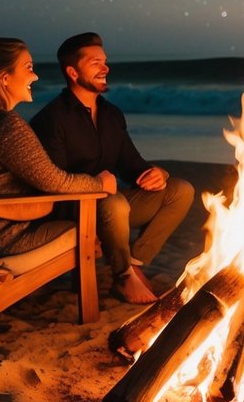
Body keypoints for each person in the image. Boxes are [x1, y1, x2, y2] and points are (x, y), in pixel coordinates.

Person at [30, 32, 194, 304]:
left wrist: (158, 174)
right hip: (70, 209)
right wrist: (97, 186)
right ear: (72, 72)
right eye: (95, 63)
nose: (105, 68)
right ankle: (123, 276)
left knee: (180, 190)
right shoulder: (51, 119)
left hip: (111, 206)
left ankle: (134, 263)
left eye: (105, 61)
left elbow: (132, 166)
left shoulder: (112, 114)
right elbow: (53, 182)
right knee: (114, 201)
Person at [0, 37, 116, 262]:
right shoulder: (5, 125)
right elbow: (55, 182)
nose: (35, 76)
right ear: (5, 78)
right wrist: (100, 184)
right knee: (88, 233)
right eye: (28, 68)